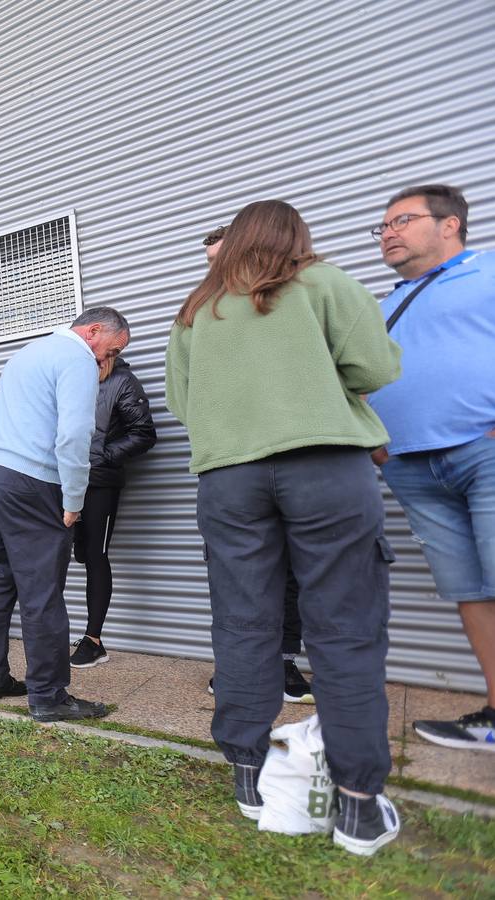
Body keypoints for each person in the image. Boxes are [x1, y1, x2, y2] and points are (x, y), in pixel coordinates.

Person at [165, 199, 402, 856]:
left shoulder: (195, 310)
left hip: (229, 478)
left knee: (243, 622)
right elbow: (375, 368)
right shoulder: (323, 283)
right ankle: (356, 806)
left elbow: (185, 404)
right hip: (323, 464)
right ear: (298, 237)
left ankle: (250, 777)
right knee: (343, 628)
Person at [365, 184, 495, 755]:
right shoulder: (384, 303)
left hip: (482, 453)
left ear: (450, 225)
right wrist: (376, 441)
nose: (388, 232)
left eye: (401, 221)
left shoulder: (487, 273)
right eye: (383, 226)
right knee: (470, 591)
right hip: (412, 469)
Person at [0, 307, 130, 722]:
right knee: (43, 591)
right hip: (34, 482)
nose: (107, 362)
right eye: (110, 351)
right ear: (93, 331)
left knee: (0, 580)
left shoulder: (30, 351)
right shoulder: (77, 358)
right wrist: (75, 500)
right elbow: (75, 434)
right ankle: (48, 694)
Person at [202, 227, 313, 702]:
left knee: (291, 571)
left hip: (298, 463)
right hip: (230, 469)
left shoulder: (298, 304)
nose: (214, 270)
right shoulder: (204, 317)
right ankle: (234, 664)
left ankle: (284, 662)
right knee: (232, 574)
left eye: (220, 258)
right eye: (209, 262)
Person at [67, 354, 157, 668]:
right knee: (72, 554)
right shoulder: (71, 380)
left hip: (100, 483)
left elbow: (144, 433)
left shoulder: (122, 382)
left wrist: (103, 456)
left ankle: (94, 640)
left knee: (95, 555)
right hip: (66, 482)